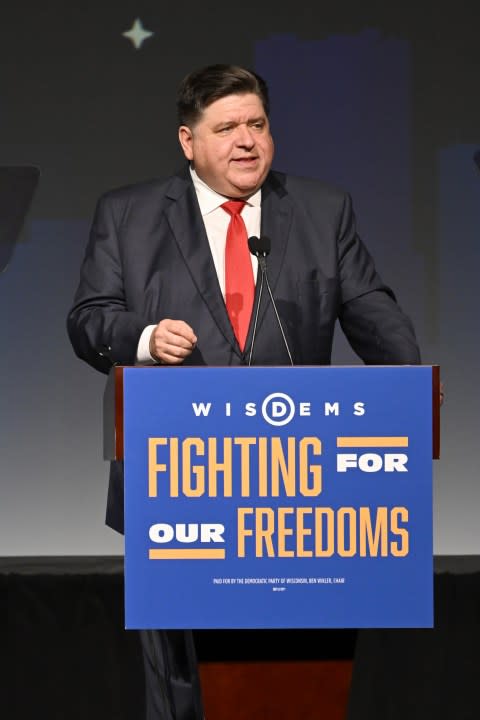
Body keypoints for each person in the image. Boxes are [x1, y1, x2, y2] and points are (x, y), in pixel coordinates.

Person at [67, 64, 420, 720]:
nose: (246, 140)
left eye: (257, 124)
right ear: (187, 141)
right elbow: (88, 320)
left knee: (295, 678)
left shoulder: (319, 209)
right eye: (226, 127)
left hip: (297, 490)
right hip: (177, 479)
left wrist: (409, 384)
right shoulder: (129, 214)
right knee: (182, 686)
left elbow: (370, 305)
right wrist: (143, 338)